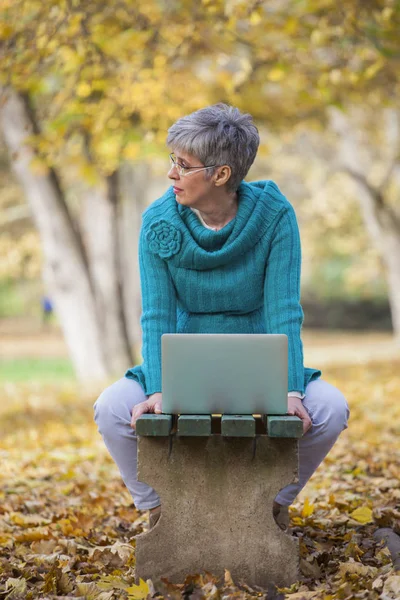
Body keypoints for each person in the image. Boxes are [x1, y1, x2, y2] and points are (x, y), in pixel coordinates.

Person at [93, 103, 350, 530]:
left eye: (183, 165)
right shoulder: (159, 223)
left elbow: (284, 310)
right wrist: (157, 389)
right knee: (110, 408)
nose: (171, 174)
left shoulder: (274, 217)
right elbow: (156, 315)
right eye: (171, 161)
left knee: (330, 409)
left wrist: (289, 389)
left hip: (261, 367)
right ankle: (160, 511)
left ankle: (267, 506)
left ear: (221, 174)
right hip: (179, 367)